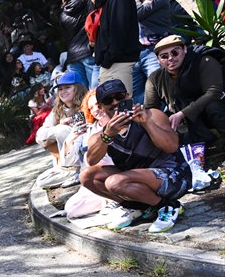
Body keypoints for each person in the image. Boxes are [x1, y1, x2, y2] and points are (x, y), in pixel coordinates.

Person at [80, 78, 190, 233]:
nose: (115, 102)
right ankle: (140, 207)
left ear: (127, 96)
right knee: (87, 176)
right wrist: (108, 135)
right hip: (138, 178)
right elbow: (91, 160)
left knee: (114, 182)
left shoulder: (152, 115)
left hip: (173, 177)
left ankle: (168, 206)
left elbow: (171, 146)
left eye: (119, 96)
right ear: (101, 106)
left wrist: (146, 123)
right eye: (108, 100)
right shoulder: (102, 134)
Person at [143, 34, 225, 149]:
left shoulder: (203, 60)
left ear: (185, 49)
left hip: (212, 109)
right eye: (164, 56)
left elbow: (214, 92)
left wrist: (183, 113)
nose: (170, 58)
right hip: (186, 120)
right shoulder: (155, 78)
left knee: (214, 107)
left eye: (175, 52)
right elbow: (151, 109)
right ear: (158, 60)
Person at [80, 0, 141, 100]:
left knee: (123, 109)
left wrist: (107, 60)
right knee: (114, 110)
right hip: (111, 65)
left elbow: (119, 35)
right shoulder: (106, 0)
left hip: (119, 64)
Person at [129, 0, 171, 105]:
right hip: (136, 53)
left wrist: (136, 2)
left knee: (159, 87)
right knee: (136, 94)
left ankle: (167, 114)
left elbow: (137, 14)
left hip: (155, 50)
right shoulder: (134, 5)